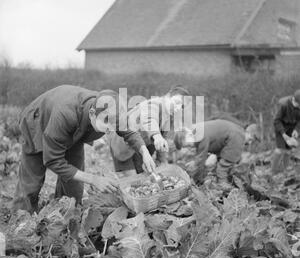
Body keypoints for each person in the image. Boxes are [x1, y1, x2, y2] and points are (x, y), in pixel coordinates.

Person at [12, 85, 156, 213]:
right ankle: (20, 224)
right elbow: (52, 161)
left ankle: (62, 219)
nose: (110, 128)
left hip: (74, 134)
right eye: (106, 122)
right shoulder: (65, 114)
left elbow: (129, 131)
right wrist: (94, 179)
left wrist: (144, 152)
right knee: (31, 185)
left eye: (114, 123)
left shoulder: (110, 111)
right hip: (38, 123)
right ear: (93, 114)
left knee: (74, 190)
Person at [108, 85, 191, 174]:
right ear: (168, 96)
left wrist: (161, 160)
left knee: (144, 175)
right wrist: (156, 135)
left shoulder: (169, 117)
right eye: (177, 102)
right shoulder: (154, 104)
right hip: (124, 143)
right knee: (132, 180)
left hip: (141, 146)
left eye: (182, 107)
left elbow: (163, 138)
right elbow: (149, 119)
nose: (178, 108)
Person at [174, 119, 260, 189]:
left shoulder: (199, 135)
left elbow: (200, 161)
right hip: (229, 137)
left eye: (189, 145)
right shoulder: (196, 131)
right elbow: (201, 157)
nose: (190, 147)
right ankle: (227, 182)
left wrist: (196, 181)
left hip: (233, 137)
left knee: (222, 168)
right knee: (221, 165)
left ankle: (225, 188)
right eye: (188, 146)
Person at [271, 90, 300, 175]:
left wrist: (297, 130)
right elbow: (276, 121)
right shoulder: (283, 105)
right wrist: (283, 134)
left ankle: (285, 171)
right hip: (281, 127)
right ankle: (273, 172)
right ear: (294, 100)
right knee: (279, 150)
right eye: (299, 105)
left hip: (292, 127)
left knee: (288, 151)